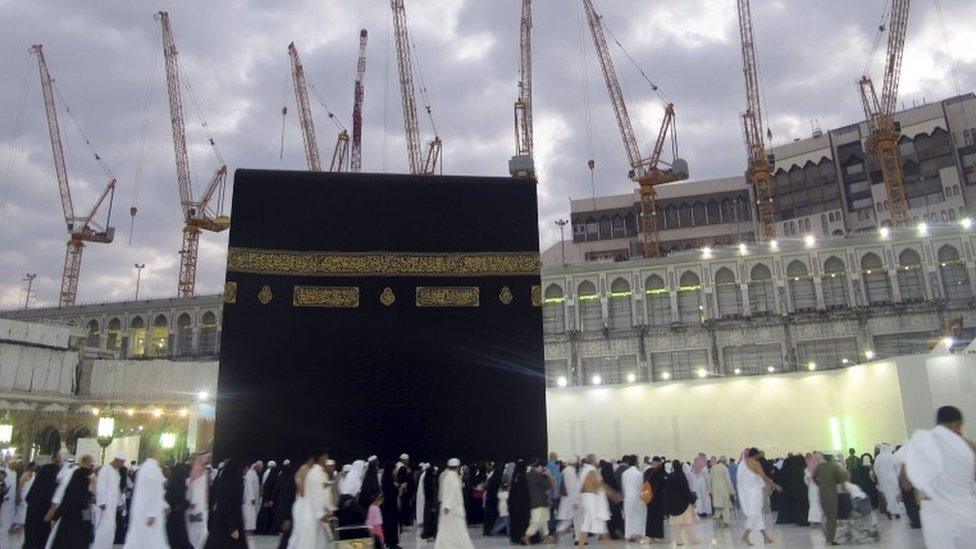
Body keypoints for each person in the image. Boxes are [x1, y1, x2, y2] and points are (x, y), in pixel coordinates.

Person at [902, 405, 976, 548]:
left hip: (934, 511)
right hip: (964, 507)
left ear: (937, 423)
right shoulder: (970, 447)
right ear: (959, 423)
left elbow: (906, 482)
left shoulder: (922, 445)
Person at [123, 452, 169, 549]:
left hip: (143, 511)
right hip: (148, 514)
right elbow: (151, 491)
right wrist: (151, 513)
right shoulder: (152, 469)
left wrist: (164, 505)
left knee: (139, 540)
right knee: (150, 541)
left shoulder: (146, 467)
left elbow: (157, 491)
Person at [47, 454, 94, 549]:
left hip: (70, 514)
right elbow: (88, 498)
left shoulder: (76, 474)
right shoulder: (90, 476)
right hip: (81, 513)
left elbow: (68, 496)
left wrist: (56, 516)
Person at [739, 447, 782, 546]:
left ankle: (765, 537)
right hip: (754, 494)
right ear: (755, 455)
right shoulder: (755, 463)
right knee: (754, 515)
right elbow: (764, 476)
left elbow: (741, 481)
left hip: (747, 494)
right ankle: (745, 535)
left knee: (758, 516)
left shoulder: (742, 464)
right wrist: (775, 485)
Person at [204, 459, 246, 548]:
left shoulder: (226, 482)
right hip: (227, 526)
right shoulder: (232, 485)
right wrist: (232, 527)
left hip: (226, 524)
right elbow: (227, 506)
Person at [434, 458, 474, 549]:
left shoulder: (450, 476)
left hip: (452, 509)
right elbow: (449, 492)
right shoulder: (451, 477)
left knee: (452, 530)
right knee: (456, 530)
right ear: (458, 467)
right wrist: (447, 506)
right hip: (452, 510)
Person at [23, 452, 60, 549]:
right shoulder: (58, 472)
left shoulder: (44, 469)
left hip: (33, 508)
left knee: (30, 537)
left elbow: (29, 496)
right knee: (42, 538)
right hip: (47, 511)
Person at [814, 452, 849, 545]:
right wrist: (845, 489)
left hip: (822, 494)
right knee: (832, 518)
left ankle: (829, 538)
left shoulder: (819, 466)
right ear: (831, 457)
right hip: (832, 495)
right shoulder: (834, 466)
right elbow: (843, 478)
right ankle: (829, 540)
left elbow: (813, 477)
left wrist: (820, 485)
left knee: (827, 516)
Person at [664, 459, 700, 545]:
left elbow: (666, 492)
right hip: (684, 504)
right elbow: (686, 490)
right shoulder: (681, 475)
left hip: (673, 505)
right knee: (688, 522)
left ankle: (679, 540)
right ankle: (693, 539)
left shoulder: (670, 477)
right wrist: (692, 500)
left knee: (676, 525)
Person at [576, 454, 609, 548]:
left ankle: (580, 546)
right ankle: (610, 546)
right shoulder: (591, 470)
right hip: (592, 500)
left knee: (587, 523)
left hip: (587, 499)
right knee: (599, 522)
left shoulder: (584, 470)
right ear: (594, 461)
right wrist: (613, 493)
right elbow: (599, 484)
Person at [93, 455, 125, 549]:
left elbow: (116, 489)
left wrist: (120, 503)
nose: (122, 465)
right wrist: (102, 502)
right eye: (122, 462)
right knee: (104, 527)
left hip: (112, 505)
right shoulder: (105, 469)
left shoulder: (115, 472)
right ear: (117, 460)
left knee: (110, 527)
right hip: (105, 504)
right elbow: (100, 486)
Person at [523, 458, 554, 543]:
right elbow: (549, 486)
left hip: (535, 501)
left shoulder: (528, 475)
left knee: (543, 520)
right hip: (540, 502)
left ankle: (546, 536)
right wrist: (548, 475)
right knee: (536, 521)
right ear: (538, 467)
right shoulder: (537, 475)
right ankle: (527, 535)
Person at [165, 461, 194, 548]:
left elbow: (170, 499)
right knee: (182, 539)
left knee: (174, 539)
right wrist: (188, 504)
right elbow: (179, 501)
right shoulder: (181, 484)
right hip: (178, 515)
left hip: (172, 516)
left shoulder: (172, 483)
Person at [187, 452, 211, 548]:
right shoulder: (195, 472)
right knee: (194, 529)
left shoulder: (204, 471)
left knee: (203, 530)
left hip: (202, 505)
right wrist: (193, 501)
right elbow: (192, 489)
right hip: (195, 505)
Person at [874, 443, 904, 519]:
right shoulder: (891, 456)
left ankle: (890, 511)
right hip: (892, 478)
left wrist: (879, 477)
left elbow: (876, 469)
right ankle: (895, 512)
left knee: (887, 495)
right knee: (894, 495)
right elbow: (896, 467)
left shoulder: (878, 458)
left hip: (883, 479)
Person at [554, 456, 581, 541]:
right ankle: (559, 532)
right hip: (572, 500)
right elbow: (572, 487)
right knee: (575, 519)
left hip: (569, 499)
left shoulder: (566, 470)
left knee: (570, 519)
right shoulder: (570, 472)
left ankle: (578, 538)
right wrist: (576, 501)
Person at [620, 455, 645, 541]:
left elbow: (623, 487)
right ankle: (638, 533)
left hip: (627, 498)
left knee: (628, 516)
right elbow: (641, 486)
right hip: (637, 497)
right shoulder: (639, 473)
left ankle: (629, 535)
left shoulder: (624, 473)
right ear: (635, 462)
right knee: (638, 516)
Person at [643, 457, 666, 541]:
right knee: (656, 517)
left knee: (653, 517)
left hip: (651, 497)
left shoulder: (648, 472)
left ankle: (652, 535)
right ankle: (656, 535)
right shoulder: (658, 472)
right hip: (656, 498)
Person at [507, 460, 530, 543]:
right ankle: (524, 537)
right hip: (524, 504)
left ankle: (516, 538)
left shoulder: (515, 477)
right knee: (524, 521)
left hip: (514, 504)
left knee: (516, 521)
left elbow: (512, 491)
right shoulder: (524, 477)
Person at [710, 455, 735, 527]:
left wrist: (710, 491)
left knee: (718, 506)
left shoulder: (713, 468)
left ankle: (717, 518)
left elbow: (710, 481)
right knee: (726, 506)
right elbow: (728, 481)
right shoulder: (724, 468)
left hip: (715, 491)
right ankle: (726, 522)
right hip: (724, 490)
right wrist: (732, 491)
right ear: (724, 462)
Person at [805, 452, 825, 527]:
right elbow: (808, 478)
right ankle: (813, 522)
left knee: (820, 504)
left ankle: (819, 521)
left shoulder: (819, 467)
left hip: (819, 488)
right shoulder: (807, 468)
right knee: (814, 504)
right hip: (813, 488)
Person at [482, 462, 502, 536]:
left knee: (489, 517)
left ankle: (487, 531)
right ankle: (494, 531)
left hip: (489, 500)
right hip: (495, 500)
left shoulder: (491, 478)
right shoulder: (499, 478)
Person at [689, 453, 712, 517]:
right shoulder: (704, 467)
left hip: (697, 484)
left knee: (699, 497)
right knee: (702, 497)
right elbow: (707, 478)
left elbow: (691, 475)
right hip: (701, 483)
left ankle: (699, 511)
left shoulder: (694, 466)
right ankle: (702, 511)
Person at [421, 464, 439, 540]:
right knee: (433, 518)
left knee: (427, 518)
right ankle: (432, 533)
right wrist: (435, 504)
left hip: (427, 502)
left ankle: (427, 532)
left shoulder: (426, 480)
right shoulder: (433, 480)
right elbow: (434, 492)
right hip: (432, 502)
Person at [0, 459, 18, 534]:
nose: (15, 466)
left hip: (11, 495)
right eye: (14, 464)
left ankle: (9, 527)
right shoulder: (4, 472)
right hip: (3, 495)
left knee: (10, 511)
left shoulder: (15, 473)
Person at [242, 462, 260, 533]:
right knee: (249, 514)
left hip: (252, 498)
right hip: (249, 499)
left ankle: (250, 529)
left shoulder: (253, 473)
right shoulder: (249, 474)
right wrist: (252, 497)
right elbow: (249, 487)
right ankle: (248, 529)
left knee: (251, 514)